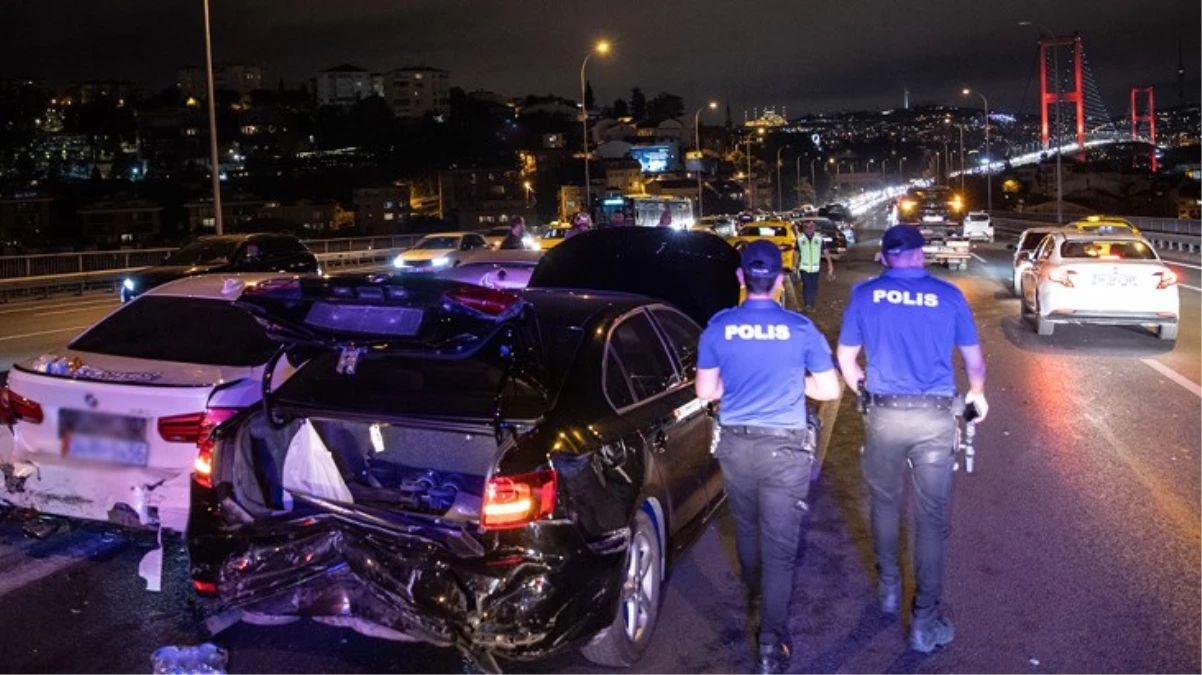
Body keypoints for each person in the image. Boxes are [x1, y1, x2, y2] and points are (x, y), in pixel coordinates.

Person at [834, 225, 988, 654]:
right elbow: (974, 362)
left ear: (885, 256)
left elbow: (846, 359)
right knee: (932, 522)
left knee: (884, 505)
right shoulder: (948, 295)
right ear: (920, 255)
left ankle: (887, 590)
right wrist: (976, 395)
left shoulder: (865, 295)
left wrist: (863, 389)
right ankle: (924, 621)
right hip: (935, 418)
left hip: (884, 415)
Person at [695, 240, 842, 675]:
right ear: (781, 280)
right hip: (785, 451)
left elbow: (706, 392)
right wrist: (791, 383)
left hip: (737, 448)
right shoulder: (800, 330)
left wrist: (738, 388)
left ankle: (755, 595)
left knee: (746, 527)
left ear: (741, 279)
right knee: (781, 549)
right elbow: (830, 390)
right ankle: (768, 645)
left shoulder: (718, 327)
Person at [795, 219, 836, 312]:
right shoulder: (800, 239)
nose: (809, 229)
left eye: (811, 227)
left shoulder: (819, 239)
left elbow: (826, 252)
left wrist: (830, 265)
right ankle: (808, 304)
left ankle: (811, 303)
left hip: (815, 268)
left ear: (813, 228)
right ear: (804, 229)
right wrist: (795, 265)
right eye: (807, 227)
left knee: (814, 286)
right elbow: (796, 253)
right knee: (806, 285)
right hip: (804, 267)